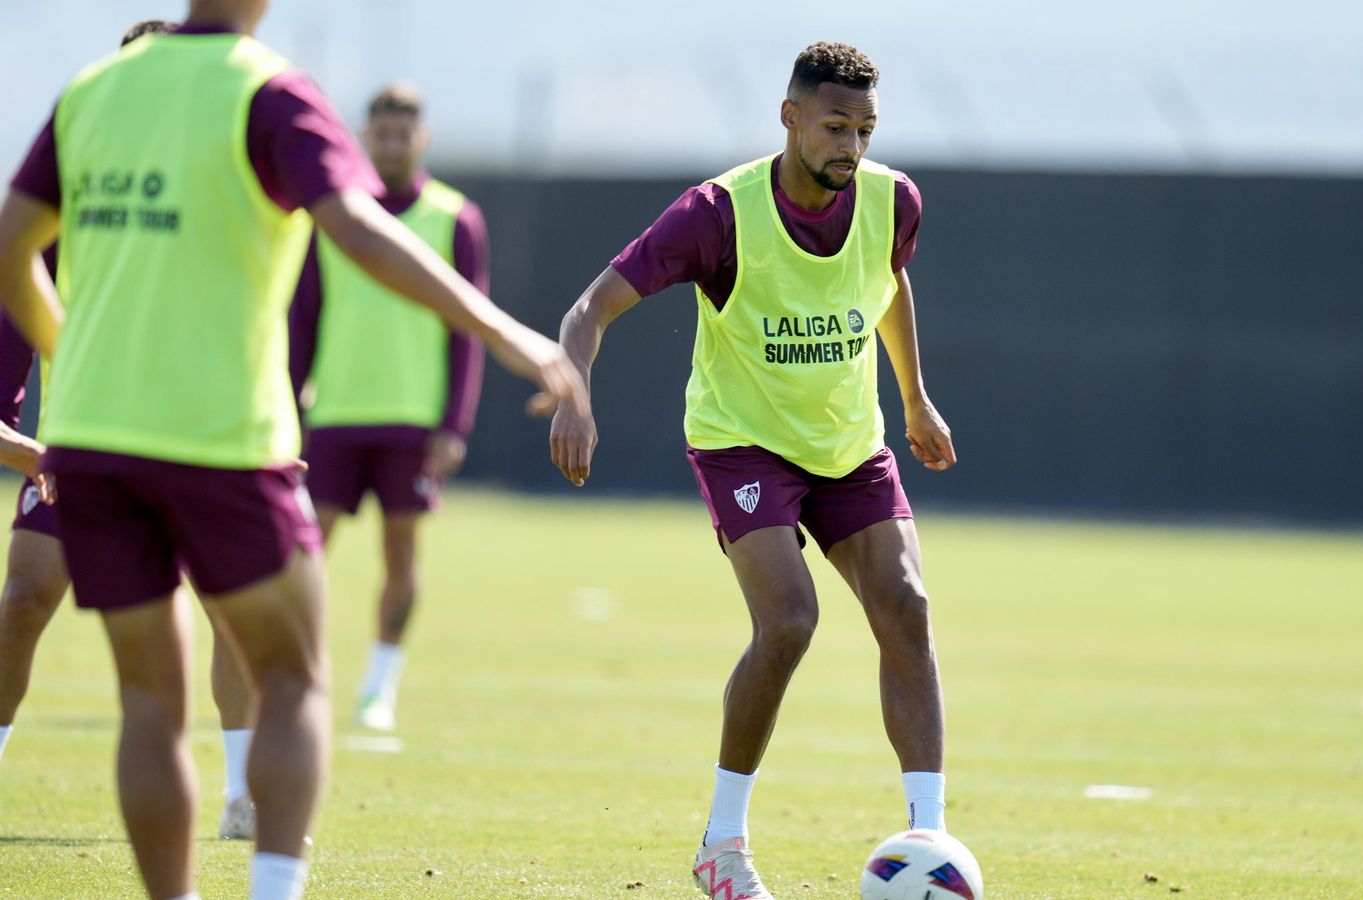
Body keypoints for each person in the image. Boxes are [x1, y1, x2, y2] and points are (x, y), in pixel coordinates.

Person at [0, 2, 585, 898]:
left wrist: (71, 363)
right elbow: (354, 226)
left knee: (150, 704)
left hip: (94, 442)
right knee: (295, 678)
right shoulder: (269, 90)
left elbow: (13, 246)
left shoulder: (90, 92)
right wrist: (509, 333)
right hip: (218, 439)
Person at [549, 41, 956, 900]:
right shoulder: (717, 214)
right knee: (789, 624)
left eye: (866, 130)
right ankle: (722, 847)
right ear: (791, 117)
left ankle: (929, 839)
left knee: (908, 607)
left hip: (848, 442)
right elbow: (589, 308)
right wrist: (573, 393)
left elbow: (888, 281)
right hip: (743, 442)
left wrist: (916, 397)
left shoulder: (893, 202)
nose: (852, 146)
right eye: (836, 126)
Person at [0, 17, 263, 845]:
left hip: (201, 457)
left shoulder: (213, 233)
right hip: (85, 464)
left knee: (232, 625)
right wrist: (36, 451)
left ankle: (242, 793)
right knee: (22, 600)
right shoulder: (48, 245)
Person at [289, 83, 487, 733]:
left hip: (411, 420)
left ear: (421, 139)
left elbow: (468, 330)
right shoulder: (335, 216)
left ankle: (379, 685)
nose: (394, 144)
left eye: (406, 133)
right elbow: (304, 319)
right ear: (365, 136)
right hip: (336, 416)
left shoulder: (454, 218)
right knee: (303, 550)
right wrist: (289, 409)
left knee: (401, 554)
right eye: (383, 133)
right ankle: (298, 675)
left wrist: (453, 424)